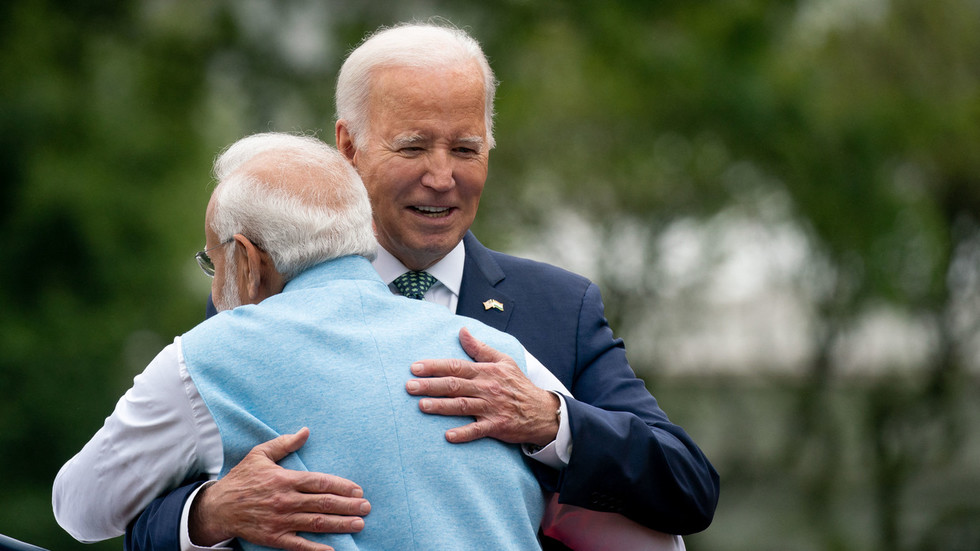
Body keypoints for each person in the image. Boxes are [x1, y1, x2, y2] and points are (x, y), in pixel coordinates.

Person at [128, 22, 719, 551]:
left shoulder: (559, 308)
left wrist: (549, 421)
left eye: (466, 149)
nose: (442, 178)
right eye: (412, 147)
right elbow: (142, 520)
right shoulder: (261, 298)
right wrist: (210, 514)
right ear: (348, 146)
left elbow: (688, 487)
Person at [53, 132, 576, 551]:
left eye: (213, 262)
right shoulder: (500, 355)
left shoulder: (207, 358)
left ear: (247, 260)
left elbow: (79, 507)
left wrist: (209, 509)